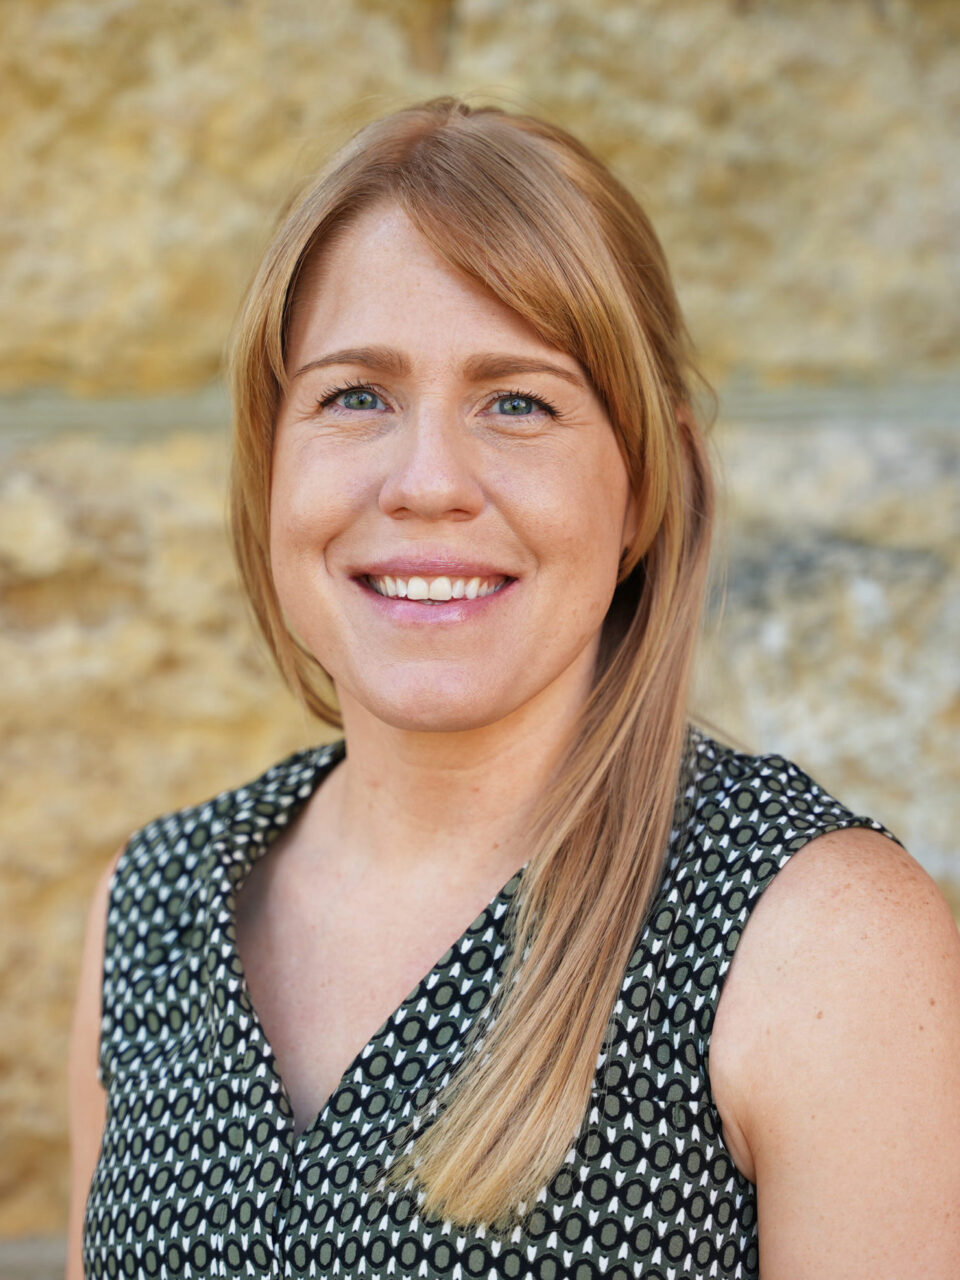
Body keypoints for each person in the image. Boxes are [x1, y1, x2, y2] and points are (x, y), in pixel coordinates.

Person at [67, 95, 960, 1280]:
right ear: (270, 462)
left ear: (643, 488)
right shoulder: (154, 904)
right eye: (356, 395)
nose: (428, 481)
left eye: (519, 401)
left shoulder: (821, 943)